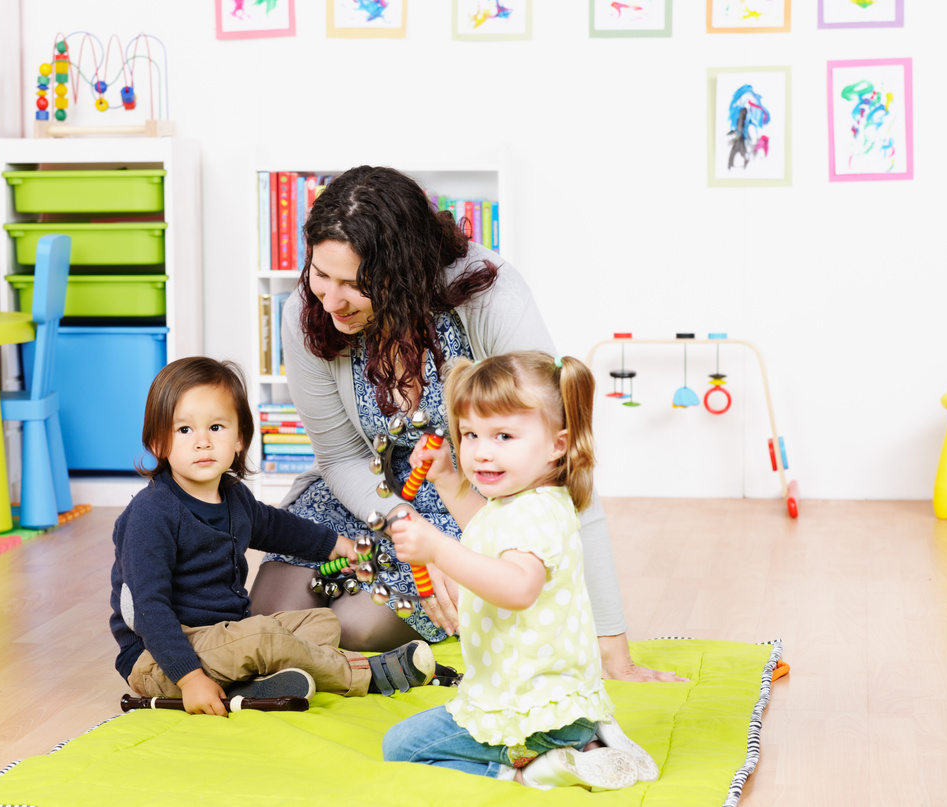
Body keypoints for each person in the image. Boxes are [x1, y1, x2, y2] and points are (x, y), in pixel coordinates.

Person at [247, 165, 678, 682]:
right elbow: (340, 456)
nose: (330, 301)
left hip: (470, 503)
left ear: (402, 274)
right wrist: (405, 524)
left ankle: (456, 611)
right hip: (370, 498)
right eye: (320, 274)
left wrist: (613, 651)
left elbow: (559, 464)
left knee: (353, 627)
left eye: (354, 284)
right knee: (271, 615)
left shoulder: (490, 296)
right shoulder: (307, 315)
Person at [382, 352, 660, 789]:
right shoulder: (526, 501)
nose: (481, 451)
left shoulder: (535, 514)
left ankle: (526, 770)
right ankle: (586, 742)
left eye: (504, 435)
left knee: (400, 748)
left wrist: (438, 548)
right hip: (547, 702)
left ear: (558, 445)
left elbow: (517, 588)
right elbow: (484, 530)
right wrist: (447, 479)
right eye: (470, 433)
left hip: (529, 710)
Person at [109, 357, 437, 717]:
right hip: (160, 657)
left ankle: (258, 679)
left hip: (224, 634)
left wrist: (339, 547)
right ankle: (367, 675)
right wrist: (189, 679)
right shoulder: (151, 514)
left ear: (239, 439)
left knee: (323, 622)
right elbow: (149, 609)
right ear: (158, 443)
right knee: (265, 636)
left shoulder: (234, 497)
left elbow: (280, 529)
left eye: (216, 427)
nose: (202, 442)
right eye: (184, 430)